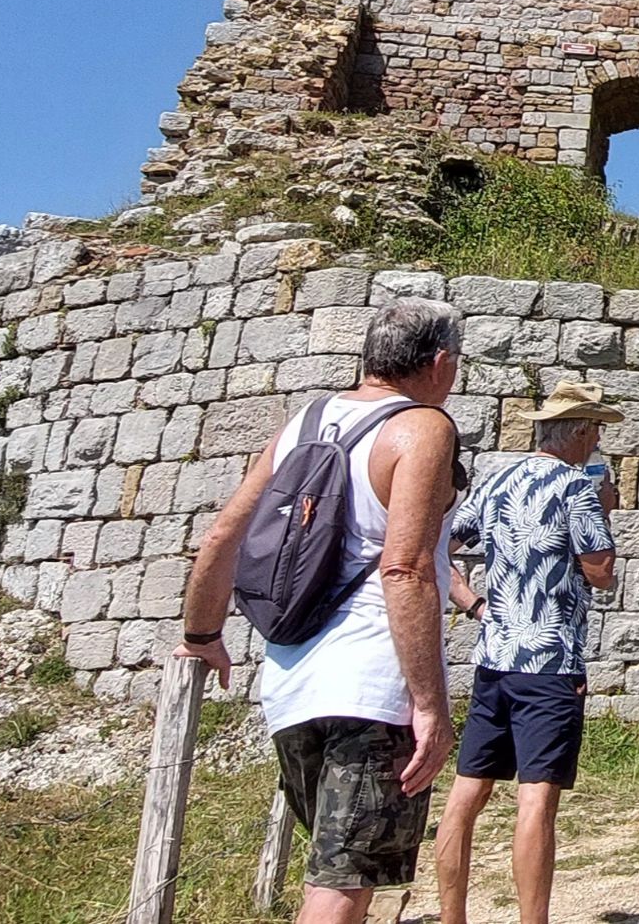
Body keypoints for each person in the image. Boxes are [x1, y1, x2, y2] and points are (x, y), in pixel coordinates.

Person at [175, 297, 466, 924]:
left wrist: (202, 633)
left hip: (290, 685)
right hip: (371, 689)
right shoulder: (423, 427)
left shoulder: (304, 423)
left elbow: (223, 535)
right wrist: (428, 704)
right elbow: (405, 567)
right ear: (440, 362)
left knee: (333, 877)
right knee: (340, 890)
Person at [434, 379, 623, 924]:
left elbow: (440, 544)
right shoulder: (576, 489)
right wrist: (604, 512)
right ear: (582, 430)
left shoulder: (497, 479)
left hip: (494, 655)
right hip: (550, 661)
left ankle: (452, 917)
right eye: (597, 431)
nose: (598, 443)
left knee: (466, 793)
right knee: (536, 800)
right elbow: (601, 573)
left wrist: (472, 603)